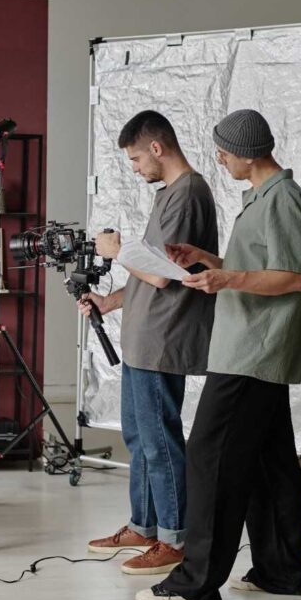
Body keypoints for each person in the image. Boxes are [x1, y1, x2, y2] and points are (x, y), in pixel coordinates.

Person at [136, 109, 301, 600]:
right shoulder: (259, 199)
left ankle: (195, 581)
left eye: (225, 151)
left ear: (249, 152)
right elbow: (256, 266)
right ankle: (280, 572)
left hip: (253, 350)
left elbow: (293, 278)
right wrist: (206, 259)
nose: (219, 158)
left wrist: (227, 279)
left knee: (208, 457)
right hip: (247, 346)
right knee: (267, 460)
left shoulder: (284, 200)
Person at [80, 110, 218, 575]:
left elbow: (160, 274)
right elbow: (150, 271)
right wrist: (108, 302)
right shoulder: (167, 195)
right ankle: (144, 526)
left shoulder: (189, 193)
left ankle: (173, 540)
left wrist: (117, 252)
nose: (135, 167)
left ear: (157, 148)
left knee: (160, 440)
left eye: (137, 158)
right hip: (143, 338)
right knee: (139, 437)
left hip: (163, 340)